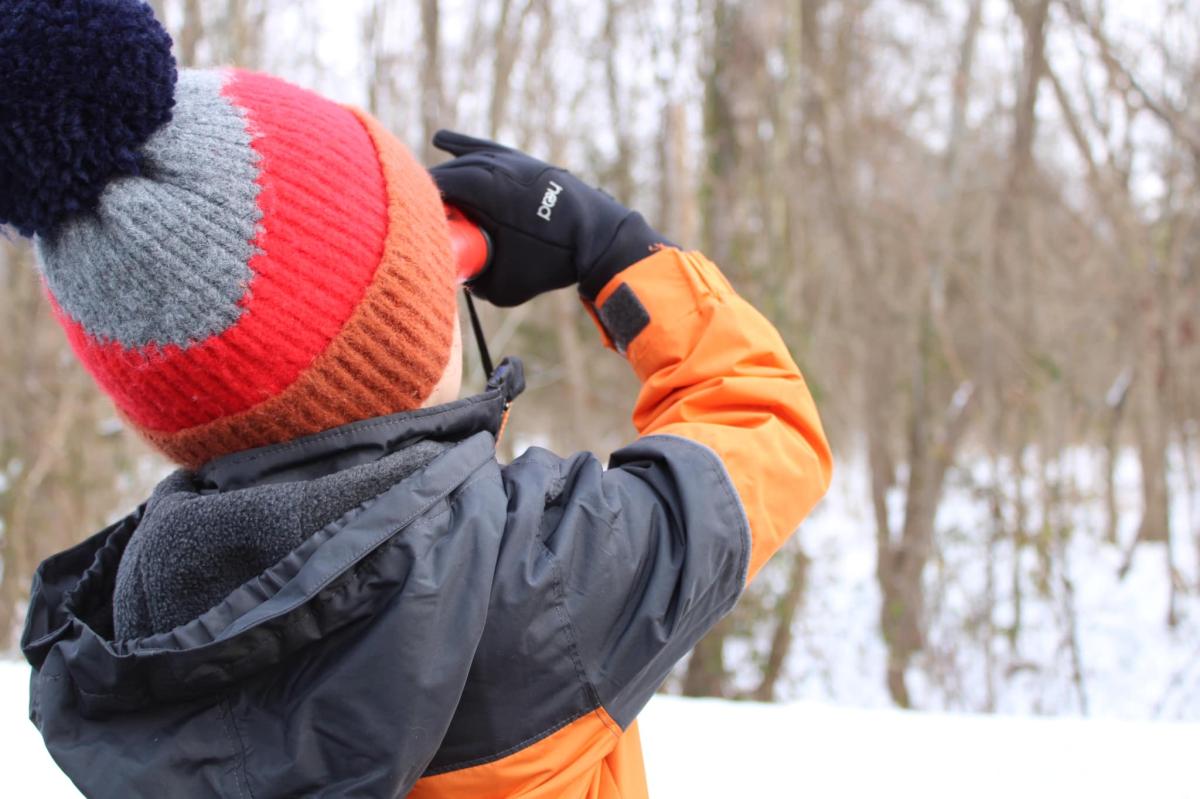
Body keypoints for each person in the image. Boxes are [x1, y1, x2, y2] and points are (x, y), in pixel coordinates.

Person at [5, 1, 832, 796]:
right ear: (398, 347)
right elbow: (762, 421)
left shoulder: (126, 641)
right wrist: (613, 249)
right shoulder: (541, 588)